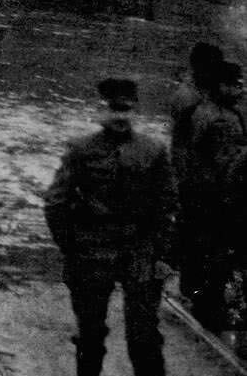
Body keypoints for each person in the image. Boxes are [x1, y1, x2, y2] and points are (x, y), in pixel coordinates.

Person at [44, 78, 177, 376]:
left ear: (135, 111)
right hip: (92, 252)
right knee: (89, 335)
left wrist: (160, 254)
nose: (120, 116)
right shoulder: (81, 149)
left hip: (138, 251)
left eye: (126, 109)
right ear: (102, 110)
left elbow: (167, 203)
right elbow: (55, 202)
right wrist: (71, 246)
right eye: (114, 109)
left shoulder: (153, 150)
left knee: (144, 336)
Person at [180, 60, 247, 337]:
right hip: (214, 195)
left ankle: (202, 297)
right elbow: (211, 160)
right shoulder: (214, 116)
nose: (239, 88)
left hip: (216, 193)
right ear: (219, 85)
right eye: (234, 84)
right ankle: (206, 304)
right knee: (214, 252)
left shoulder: (219, 113)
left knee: (211, 250)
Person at [168, 41, 221, 298]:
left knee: (204, 232)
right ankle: (189, 288)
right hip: (191, 174)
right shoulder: (187, 97)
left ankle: (196, 284)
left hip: (206, 174)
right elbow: (181, 143)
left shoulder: (203, 92)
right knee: (192, 231)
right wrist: (181, 179)